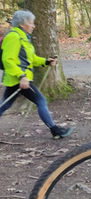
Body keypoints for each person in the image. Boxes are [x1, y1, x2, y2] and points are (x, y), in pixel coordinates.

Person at [0, 10, 73, 139]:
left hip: (19, 79)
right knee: (41, 100)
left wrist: (45, 61)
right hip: (19, 79)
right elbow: (8, 60)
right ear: (22, 24)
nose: (33, 26)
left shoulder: (23, 37)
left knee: (5, 104)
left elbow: (31, 59)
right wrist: (22, 76)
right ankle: (55, 130)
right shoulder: (14, 37)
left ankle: (55, 130)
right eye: (31, 23)